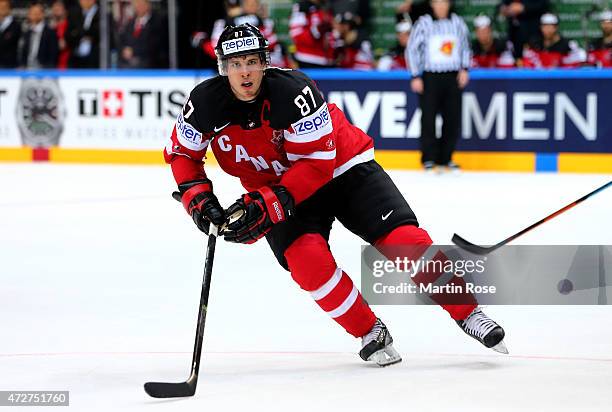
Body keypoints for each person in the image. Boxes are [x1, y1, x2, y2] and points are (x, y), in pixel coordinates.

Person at [164, 23, 508, 366]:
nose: (245, 72)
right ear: (223, 68)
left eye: (252, 61)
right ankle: (369, 330)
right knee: (306, 264)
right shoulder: (205, 102)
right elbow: (183, 155)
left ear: (265, 62)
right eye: (236, 64)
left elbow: (318, 164)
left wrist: (269, 203)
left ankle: (468, 312)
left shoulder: (294, 91)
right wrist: (199, 201)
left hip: (342, 168)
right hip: (278, 188)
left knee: (404, 241)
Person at [407, 0, 470, 172]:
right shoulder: (423, 23)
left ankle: (446, 157)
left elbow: (465, 46)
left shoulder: (457, 22)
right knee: (428, 118)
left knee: (452, 118)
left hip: (452, 76)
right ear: (432, 5)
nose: (441, 6)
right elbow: (412, 49)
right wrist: (415, 75)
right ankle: (428, 157)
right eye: (438, 3)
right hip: (430, 77)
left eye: (444, 3)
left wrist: (464, 68)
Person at [118, 0, 167, 68]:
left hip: (147, 62)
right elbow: (122, 40)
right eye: (136, 4)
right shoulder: (130, 22)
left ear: (148, 5)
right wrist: (124, 50)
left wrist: (134, 51)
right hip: (127, 62)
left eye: (141, 4)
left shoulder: (156, 22)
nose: (138, 6)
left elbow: (153, 44)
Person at [289, 0, 336, 67]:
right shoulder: (302, 7)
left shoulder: (328, 6)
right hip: (308, 60)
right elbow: (296, 34)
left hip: (329, 61)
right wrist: (317, 31)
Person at [18, 2, 59, 69]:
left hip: (44, 71)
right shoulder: (26, 33)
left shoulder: (50, 33)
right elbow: (23, 53)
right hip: (26, 70)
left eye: (37, 12)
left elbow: (53, 54)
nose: (35, 15)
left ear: (42, 14)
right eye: (32, 12)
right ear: (29, 15)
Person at [66, 0, 99, 68]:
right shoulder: (74, 13)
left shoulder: (102, 14)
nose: (81, 1)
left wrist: (79, 33)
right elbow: (69, 34)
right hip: (76, 59)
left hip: (95, 60)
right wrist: (82, 35)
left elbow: (98, 33)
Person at [0, 0, 21, 68]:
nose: (2, 8)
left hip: (9, 66)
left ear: (9, 8)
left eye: (4, 6)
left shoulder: (16, 25)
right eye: (0, 6)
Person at [50, 0, 70, 69]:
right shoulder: (50, 27)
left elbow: (63, 45)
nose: (56, 8)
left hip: (67, 66)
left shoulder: (70, 26)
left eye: (59, 6)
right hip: (51, 66)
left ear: (65, 10)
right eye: (54, 6)